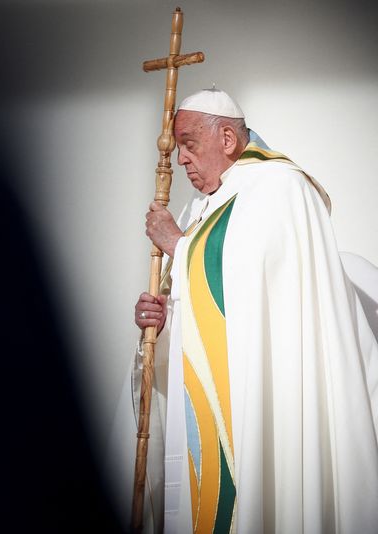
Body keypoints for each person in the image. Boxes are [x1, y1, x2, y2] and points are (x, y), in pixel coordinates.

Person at [132, 88, 378, 533]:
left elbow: (248, 281)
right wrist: (166, 319)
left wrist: (178, 246)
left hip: (272, 387)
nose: (182, 159)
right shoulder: (203, 207)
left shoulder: (280, 185)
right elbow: (214, 308)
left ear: (227, 138)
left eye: (190, 143)